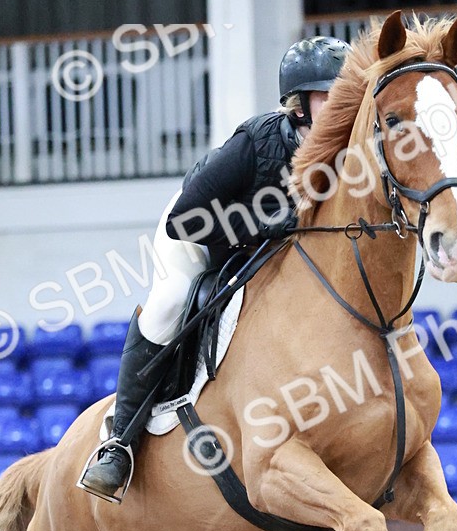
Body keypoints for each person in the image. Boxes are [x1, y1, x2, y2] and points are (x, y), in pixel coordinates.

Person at [78, 35, 351, 503]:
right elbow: (188, 218)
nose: (340, 108)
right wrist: (277, 221)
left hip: (269, 253)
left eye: (347, 97)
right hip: (199, 238)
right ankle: (118, 443)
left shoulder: (352, 153)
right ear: (299, 105)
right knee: (166, 306)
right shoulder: (257, 141)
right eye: (328, 96)